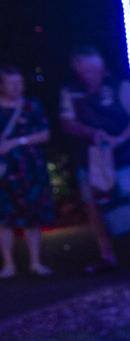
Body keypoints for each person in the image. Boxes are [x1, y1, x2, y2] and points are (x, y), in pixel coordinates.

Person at [58, 46, 130, 272]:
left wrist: (120, 138)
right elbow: (66, 122)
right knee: (94, 205)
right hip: (91, 158)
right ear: (77, 70)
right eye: (85, 71)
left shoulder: (120, 85)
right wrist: (91, 134)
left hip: (126, 154)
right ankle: (106, 254)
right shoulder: (70, 91)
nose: (90, 76)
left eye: (94, 70)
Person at [0, 65, 53, 279]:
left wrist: (17, 141)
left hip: (31, 169)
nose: (16, 87)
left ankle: (35, 261)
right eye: (11, 83)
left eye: (19, 82)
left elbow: (45, 133)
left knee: (34, 216)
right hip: (4, 172)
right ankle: (8, 264)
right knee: (4, 218)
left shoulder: (32, 106)